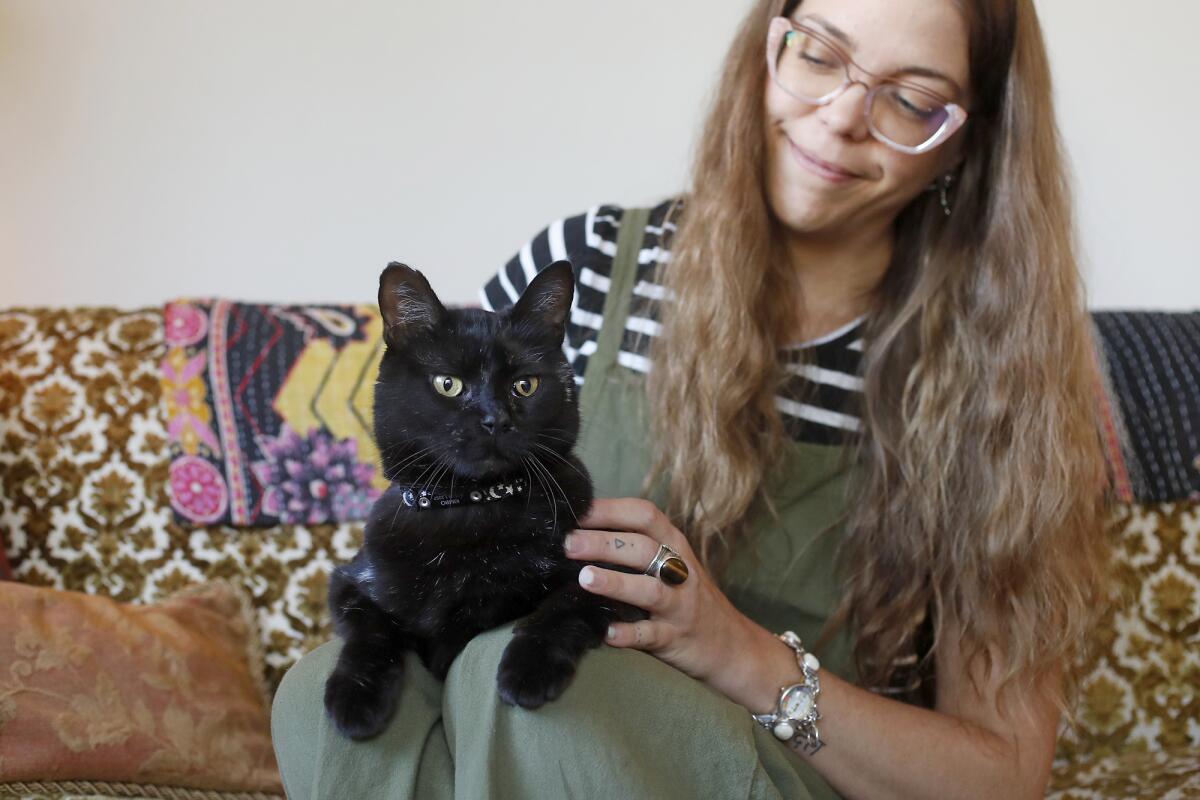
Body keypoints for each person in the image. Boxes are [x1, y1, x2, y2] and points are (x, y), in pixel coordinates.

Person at [271, 0, 1113, 797]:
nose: (841, 114)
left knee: (545, 701)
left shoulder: (998, 370)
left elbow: (1004, 776)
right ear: (766, 48)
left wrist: (743, 656)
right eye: (818, 54)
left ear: (971, 143)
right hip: (516, 723)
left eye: (912, 99)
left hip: (768, 769)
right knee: (325, 702)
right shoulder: (591, 260)